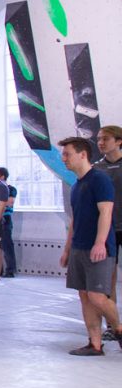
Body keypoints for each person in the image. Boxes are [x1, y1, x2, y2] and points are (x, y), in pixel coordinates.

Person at [58, 136, 120, 356]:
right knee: (84, 296)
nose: (64, 158)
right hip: (79, 248)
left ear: (82, 154)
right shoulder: (76, 186)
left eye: (67, 154)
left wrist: (100, 243)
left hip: (98, 248)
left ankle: (119, 329)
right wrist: (67, 249)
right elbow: (75, 220)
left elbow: (106, 212)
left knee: (97, 297)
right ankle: (95, 343)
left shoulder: (99, 179)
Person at [94, 125, 122, 339]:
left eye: (106, 139)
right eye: (99, 139)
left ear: (119, 141)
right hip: (109, 231)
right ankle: (113, 326)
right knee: (107, 279)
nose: (101, 143)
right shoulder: (97, 169)